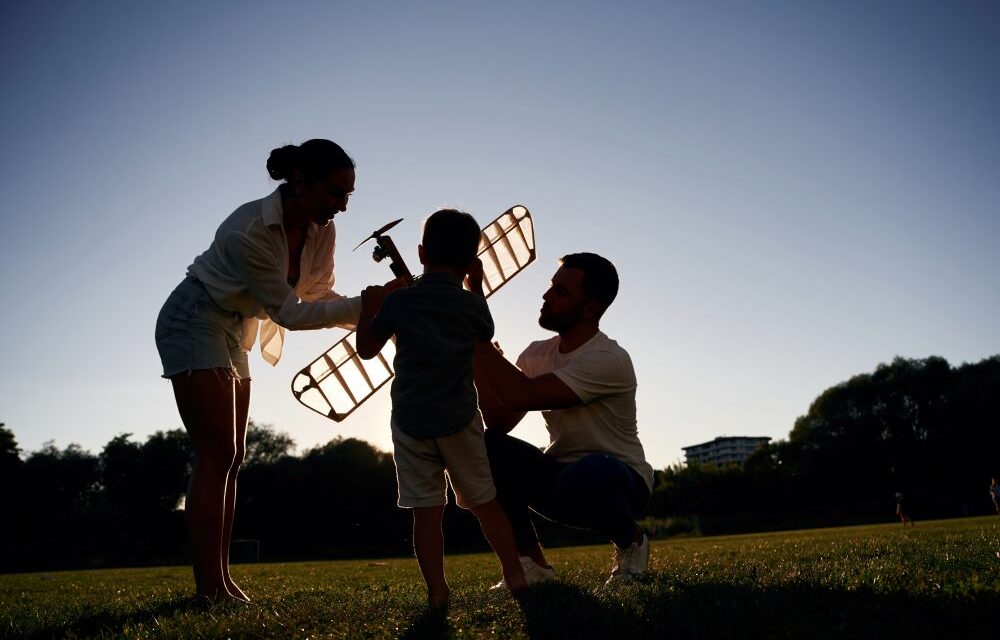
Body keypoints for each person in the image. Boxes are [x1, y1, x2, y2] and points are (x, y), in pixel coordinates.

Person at [155, 139, 394, 602]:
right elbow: (289, 313)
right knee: (216, 452)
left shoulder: (321, 228)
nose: (342, 206)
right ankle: (209, 589)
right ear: (300, 183)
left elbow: (320, 297)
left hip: (236, 326)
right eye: (333, 193)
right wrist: (369, 303)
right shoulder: (249, 230)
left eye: (349, 195)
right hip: (193, 318)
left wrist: (379, 312)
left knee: (234, 453)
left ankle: (222, 583)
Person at [355, 209, 527, 607]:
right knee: (486, 501)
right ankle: (515, 574)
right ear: (469, 262)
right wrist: (477, 287)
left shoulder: (399, 301)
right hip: (461, 420)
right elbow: (487, 331)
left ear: (419, 253)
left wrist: (371, 305)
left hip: (412, 422)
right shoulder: (469, 304)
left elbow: (366, 349)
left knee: (425, 512)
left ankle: (437, 592)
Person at [474, 252, 654, 586]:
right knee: (486, 446)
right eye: (551, 287)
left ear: (590, 309)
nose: (546, 297)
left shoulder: (609, 359)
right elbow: (498, 420)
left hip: (619, 478)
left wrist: (474, 337)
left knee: (587, 472)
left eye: (561, 292)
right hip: (560, 477)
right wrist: (478, 359)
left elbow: (522, 394)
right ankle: (532, 564)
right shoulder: (535, 353)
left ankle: (632, 541)